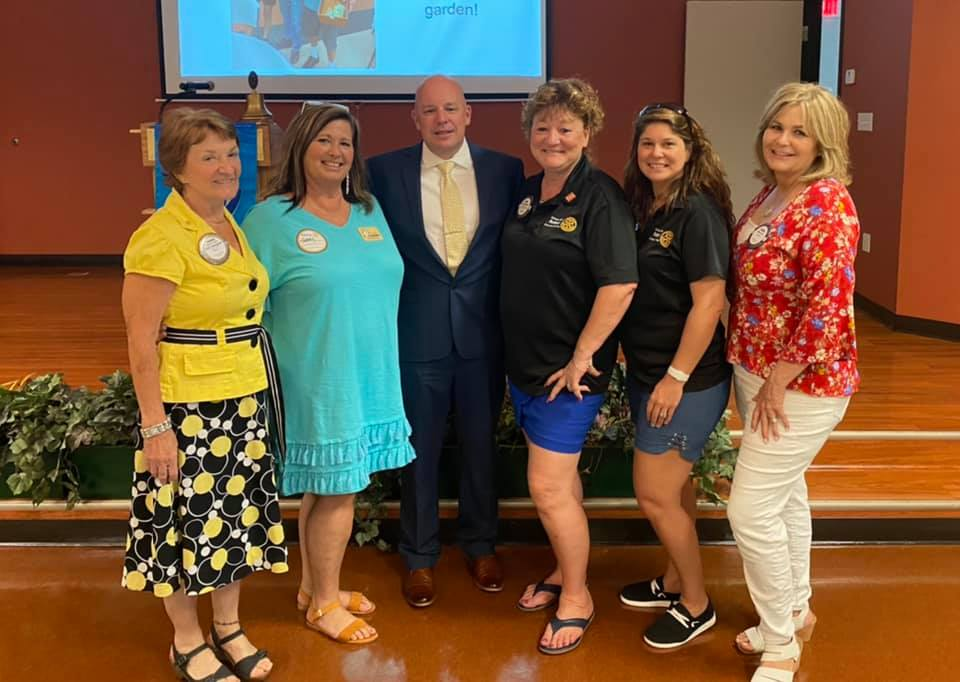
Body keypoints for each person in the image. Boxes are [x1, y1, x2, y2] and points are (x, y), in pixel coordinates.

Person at [121, 107, 288, 682]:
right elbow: (140, 342)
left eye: (231, 154)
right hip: (187, 405)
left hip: (242, 393)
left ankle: (228, 626)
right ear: (177, 168)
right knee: (182, 523)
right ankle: (186, 639)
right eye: (209, 157)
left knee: (232, 518)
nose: (226, 166)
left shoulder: (229, 224)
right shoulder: (160, 238)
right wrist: (155, 426)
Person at [242, 103, 415, 645]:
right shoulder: (270, 220)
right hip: (315, 376)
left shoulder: (367, 210)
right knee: (339, 489)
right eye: (324, 140)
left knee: (329, 486)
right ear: (300, 146)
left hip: (369, 370)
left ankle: (315, 588)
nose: (336, 151)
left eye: (345, 142)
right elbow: (245, 305)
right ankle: (323, 606)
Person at [367, 76, 524, 608]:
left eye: (450, 109)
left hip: (483, 338)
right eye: (430, 111)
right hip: (417, 337)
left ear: (468, 113)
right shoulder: (382, 173)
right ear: (415, 119)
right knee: (420, 454)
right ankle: (419, 556)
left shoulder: (505, 171)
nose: (441, 119)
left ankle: (481, 545)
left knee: (481, 449)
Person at [725, 82, 860, 682]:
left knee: (750, 509)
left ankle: (779, 641)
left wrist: (779, 380)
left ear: (822, 143)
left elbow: (827, 307)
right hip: (755, 369)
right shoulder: (772, 194)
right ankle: (796, 607)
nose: (783, 140)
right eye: (777, 127)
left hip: (800, 385)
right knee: (784, 495)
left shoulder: (827, 203)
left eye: (800, 132)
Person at [503, 78, 638, 654]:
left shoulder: (601, 197)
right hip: (526, 368)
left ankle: (578, 597)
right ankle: (564, 569)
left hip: (570, 378)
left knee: (548, 488)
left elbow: (620, 285)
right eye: (543, 127)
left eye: (565, 128)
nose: (552, 138)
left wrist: (582, 357)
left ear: (587, 133)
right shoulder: (529, 193)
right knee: (561, 486)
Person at [616, 104, 733, 649]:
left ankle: (697, 604)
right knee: (675, 488)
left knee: (654, 493)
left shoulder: (696, 212)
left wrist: (676, 377)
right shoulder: (647, 205)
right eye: (648, 144)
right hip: (648, 370)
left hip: (688, 379)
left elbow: (709, 303)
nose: (656, 153)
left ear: (690, 151)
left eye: (668, 144)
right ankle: (672, 581)